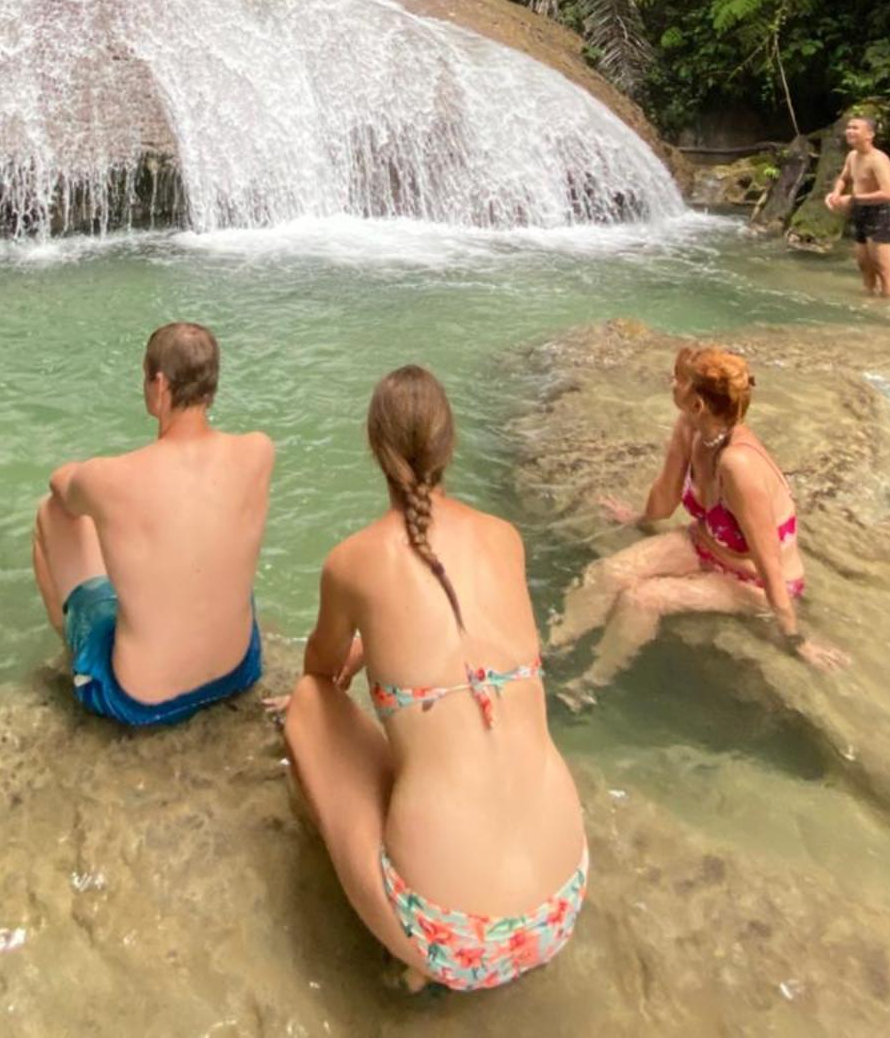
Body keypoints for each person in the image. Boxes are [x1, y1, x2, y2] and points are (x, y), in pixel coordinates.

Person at [277, 365, 587, 994]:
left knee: (307, 704)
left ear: (375, 449)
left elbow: (320, 673)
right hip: (559, 907)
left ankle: (403, 949)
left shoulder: (353, 562)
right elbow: (462, 640)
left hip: (451, 939)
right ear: (450, 445)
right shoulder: (506, 539)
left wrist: (367, 647)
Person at [549, 346, 846, 703]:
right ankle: (550, 650)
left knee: (643, 598)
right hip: (702, 543)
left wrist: (795, 636)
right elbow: (666, 494)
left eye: (679, 380)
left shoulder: (739, 466)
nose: (670, 382)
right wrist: (639, 518)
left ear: (698, 404)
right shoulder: (690, 427)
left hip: (749, 578)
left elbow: (768, 561)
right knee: (610, 572)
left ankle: (589, 685)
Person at [32, 321, 273, 726]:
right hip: (240, 670)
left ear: (159, 384)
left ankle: (75, 655)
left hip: (141, 701)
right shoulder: (258, 451)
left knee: (52, 512)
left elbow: (60, 487)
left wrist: (89, 476)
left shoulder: (111, 477)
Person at [824, 114, 890, 297]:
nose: (849, 131)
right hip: (861, 211)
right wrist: (835, 194)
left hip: (883, 212)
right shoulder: (852, 156)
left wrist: (852, 199)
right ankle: (868, 301)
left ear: (870, 134)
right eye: (848, 127)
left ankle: (888, 309)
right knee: (864, 265)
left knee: (882, 267)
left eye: (855, 128)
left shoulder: (878, 159)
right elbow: (844, 178)